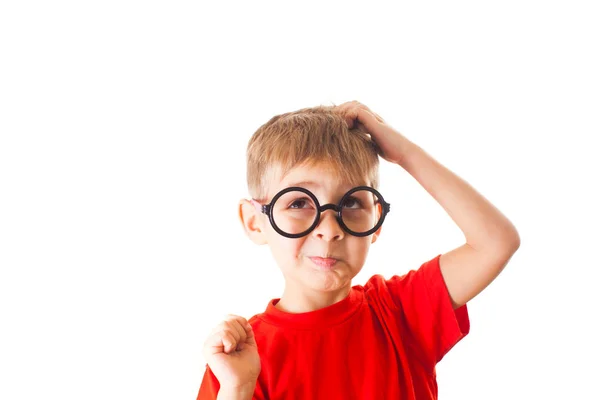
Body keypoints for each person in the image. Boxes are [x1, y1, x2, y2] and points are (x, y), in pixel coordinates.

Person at [196, 100, 521, 400]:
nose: (329, 229)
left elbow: (495, 243)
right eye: (299, 203)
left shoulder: (401, 312)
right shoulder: (239, 359)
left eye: (351, 202)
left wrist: (404, 154)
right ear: (255, 222)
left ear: (376, 220)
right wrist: (237, 388)